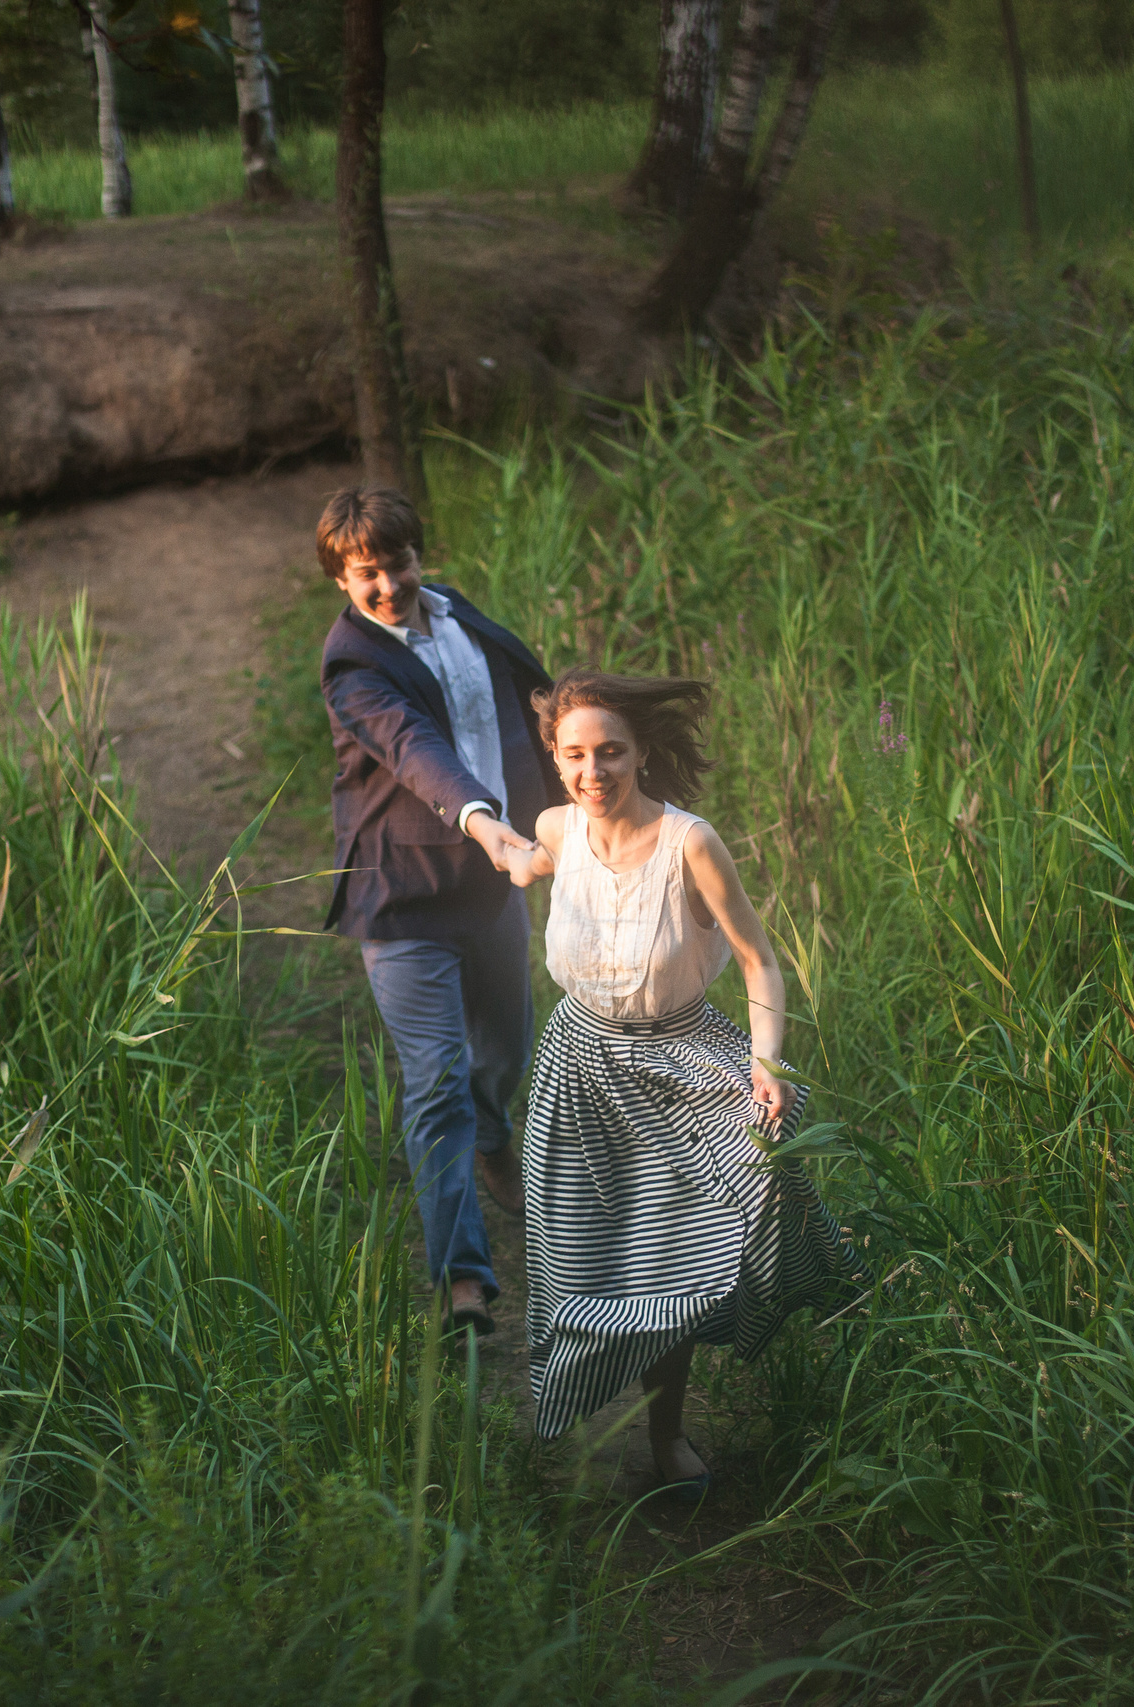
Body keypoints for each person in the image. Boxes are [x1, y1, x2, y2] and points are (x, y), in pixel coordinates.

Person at [503, 672, 863, 1494]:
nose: (593, 772)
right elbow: (536, 859)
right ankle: (571, 1402)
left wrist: (768, 1067)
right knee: (583, 1258)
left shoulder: (689, 842)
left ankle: (669, 1433)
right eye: (574, 755)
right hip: (578, 1065)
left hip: (680, 1060)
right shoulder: (556, 824)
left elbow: (759, 960)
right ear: (555, 759)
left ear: (642, 752)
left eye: (611, 752)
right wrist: (489, 832)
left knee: (705, 1226)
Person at [318, 486, 554, 1337]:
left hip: (493, 884)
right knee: (439, 1082)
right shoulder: (353, 664)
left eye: (398, 563)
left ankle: (496, 1139)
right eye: (365, 574)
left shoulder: (455, 613)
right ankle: (463, 1277)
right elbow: (416, 752)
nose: (387, 585)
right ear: (341, 580)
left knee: (507, 1052)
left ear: (423, 554)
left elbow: (532, 711)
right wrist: (487, 825)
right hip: (405, 900)